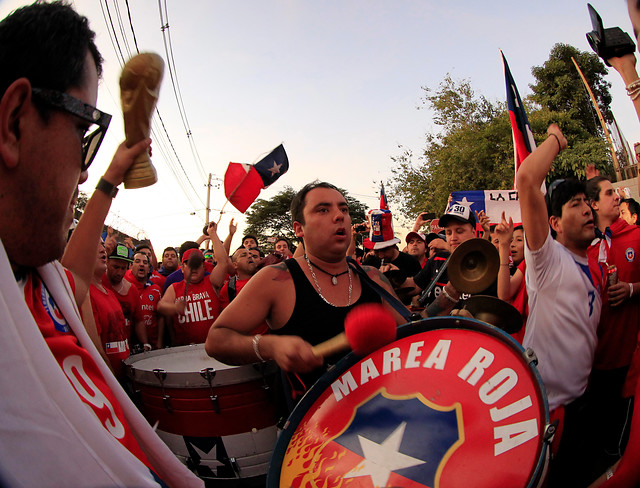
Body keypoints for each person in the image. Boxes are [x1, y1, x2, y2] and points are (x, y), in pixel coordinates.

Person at [0, 3, 201, 486]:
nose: (85, 169)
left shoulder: (32, 283)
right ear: (13, 123)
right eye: (84, 131)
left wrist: (112, 177)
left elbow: (73, 280)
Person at [206, 181, 405, 394]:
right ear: (299, 229)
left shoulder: (372, 277)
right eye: (323, 210)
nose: (339, 216)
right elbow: (216, 340)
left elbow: (415, 334)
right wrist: (271, 346)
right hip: (311, 421)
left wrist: (446, 296)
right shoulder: (275, 279)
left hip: (382, 408)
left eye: (344, 209)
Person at [517, 124, 602, 487]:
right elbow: (526, 180)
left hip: (580, 413)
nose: (586, 210)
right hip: (543, 418)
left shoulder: (593, 268)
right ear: (554, 223)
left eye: (587, 202)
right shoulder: (547, 260)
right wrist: (556, 139)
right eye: (574, 204)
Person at [586, 175, 640, 472]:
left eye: (615, 193)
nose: (616, 196)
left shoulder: (636, 236)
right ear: (593, 204)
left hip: (629, 360)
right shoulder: (586, 248)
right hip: (594, 364)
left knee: (620, 448)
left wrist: (631, 289)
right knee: (596, 441)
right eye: (608, 193)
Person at [159, 223, 229, 345]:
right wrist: (175, 308)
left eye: (197, 265)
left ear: (204, 266)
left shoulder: (212, 282)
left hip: (213, 346)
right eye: (190, 264)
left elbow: (223, 262)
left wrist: (212, 233)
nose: (194, 269)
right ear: (182, 268)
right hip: (185, 350)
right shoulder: (175, 288)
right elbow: (161, 307)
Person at [89, 240, 131, 381]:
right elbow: (95, 351)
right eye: (97, 245)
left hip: (124, 376)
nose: (103, 250)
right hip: (109, 382)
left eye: (103, 245)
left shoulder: (109, 293)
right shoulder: (85, 295)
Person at [103, 242, 147, 348]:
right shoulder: (98, 283)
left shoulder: (132, 290)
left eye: (123, 268)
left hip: (126, 348)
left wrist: (145, 343)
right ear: (107, 262)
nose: (119, 272)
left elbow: (138, 321)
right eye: (115, 267)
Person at [125, 251, 164, 350]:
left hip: (154, 347)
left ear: (149, 268)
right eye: (137, 261)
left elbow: (161, 317)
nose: (141, 264)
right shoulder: (124, 287)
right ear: (130, 266)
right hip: (130, 347)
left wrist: (159, 343)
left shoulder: (156, 289)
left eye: (145, 263)